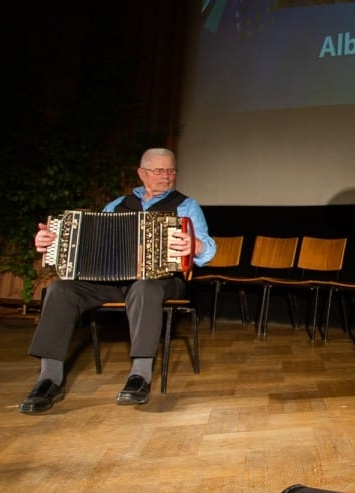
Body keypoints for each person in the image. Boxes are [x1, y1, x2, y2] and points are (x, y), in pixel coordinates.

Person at [18, 147, 216, 413]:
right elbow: (91, 245)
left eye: (171, 170)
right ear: (142, 173)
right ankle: (49, 379)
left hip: (162, 281)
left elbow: (209, 249)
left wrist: (197, 245)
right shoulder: (116, 206)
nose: (167, 176)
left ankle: (140, 377)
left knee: (145, 287)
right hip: (113, 283)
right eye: (159, 170)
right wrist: (52, 243)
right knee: (60, 289)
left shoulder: (186, 205)